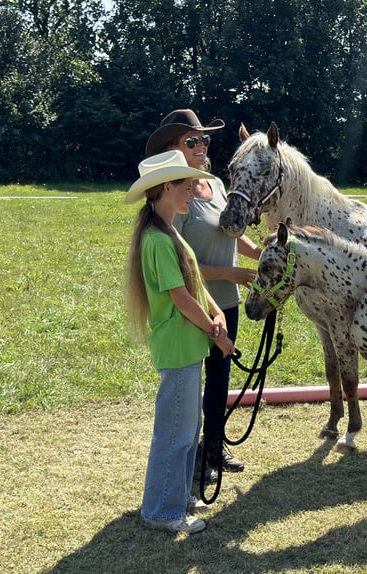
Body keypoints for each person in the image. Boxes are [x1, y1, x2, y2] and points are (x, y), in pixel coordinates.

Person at [146, 109, 260, 481]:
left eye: (204, 140)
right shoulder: (175, 194)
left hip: (225, 304)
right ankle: (190, 457)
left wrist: (262, 254)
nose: (201, 146)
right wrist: (232, 273)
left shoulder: (214, 184)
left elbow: (228, 232)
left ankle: (213, 447)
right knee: (190, 385)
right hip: (195, 309)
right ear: (172, 148)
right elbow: (182, 262)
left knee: (220, 379)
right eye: (191, 141)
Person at [125, 149, 235, 534]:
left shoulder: (168, 232)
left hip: (188, 345)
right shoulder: (157, 239)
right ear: (166, 188)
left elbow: (196, 285)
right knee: (175, 430)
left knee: (186, 428)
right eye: (186, 186)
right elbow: (180, 297)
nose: (193, 192)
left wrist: (217, 315)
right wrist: (214, 330)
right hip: (179, 346)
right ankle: (162, 511)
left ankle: (176, 497)